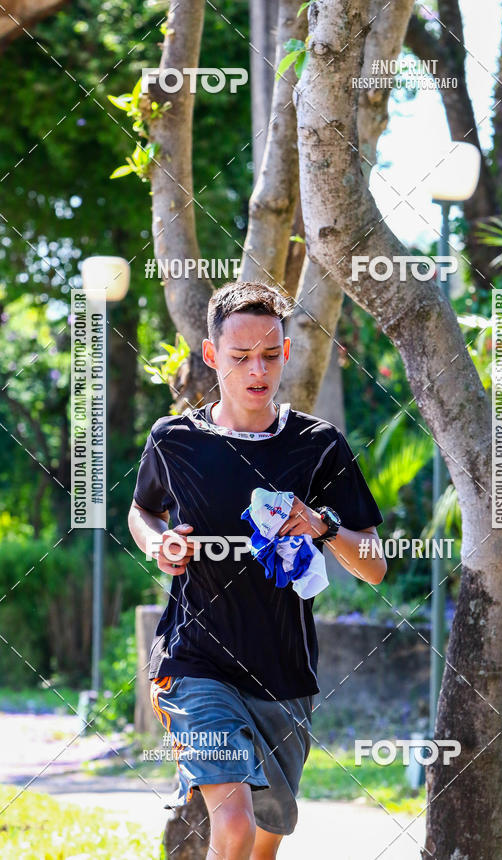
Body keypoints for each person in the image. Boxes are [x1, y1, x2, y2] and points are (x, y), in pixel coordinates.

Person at [128, 281, 385, 860]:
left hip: (285, 676)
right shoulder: (175, 441)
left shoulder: (319, 446)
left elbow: (375, 569)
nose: (257, 370)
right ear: (211, 355)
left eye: (270, 355)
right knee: (236, 826)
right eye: (240, 357)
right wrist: (157, 543)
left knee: (264, 843)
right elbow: (142, 509)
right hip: (195, 663)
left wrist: (321, 526)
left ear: (287, 354)